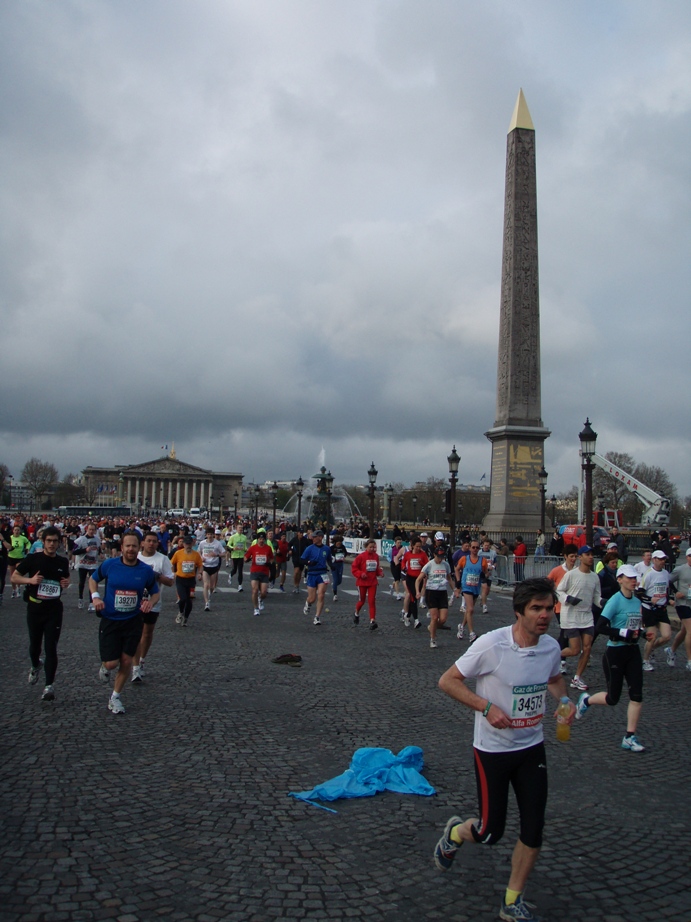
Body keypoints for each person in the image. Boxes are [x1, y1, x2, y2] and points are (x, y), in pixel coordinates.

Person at [434, 578, 574, 922]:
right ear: (518, 612)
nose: (544, 616)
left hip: (531, 748)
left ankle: (512, 901)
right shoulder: (491, 645)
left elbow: (553, 678)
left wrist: (565, 700)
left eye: (548, 609)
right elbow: (447, 680)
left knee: (533, 828)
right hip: (492, 752)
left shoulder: (551, 648)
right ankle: (456, 832)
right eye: (536, 609)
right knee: (490, 832)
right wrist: (485, 707)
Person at [575, 565, 645, 752]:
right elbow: (600, 626)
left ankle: (630, 736)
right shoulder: (615, 601)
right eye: (629, 578)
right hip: (615, 652)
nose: (633, 581)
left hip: (633, 652)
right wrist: (623, 632)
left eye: (634, 578)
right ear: (620, 580)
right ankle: (587, 701)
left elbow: (635, 626)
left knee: (637, 695)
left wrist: (643, 634)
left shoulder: (637, 602)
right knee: (613, 698)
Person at [89, 532, 159, 714]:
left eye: (134, 546)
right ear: (122, 548)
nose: (130, 549)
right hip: (110, 619)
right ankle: (105, 666)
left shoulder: (145, 570)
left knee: (127, 660)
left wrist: (150, 603)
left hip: (132, 620)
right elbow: (93, 580)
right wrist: (95, 598)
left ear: (139, 547)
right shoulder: (110, 565)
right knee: (112, 663)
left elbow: (155, 592)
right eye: (127, 546)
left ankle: (115, 697)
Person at [11, 526, 70, 702]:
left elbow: (64, 580)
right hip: (35, 608)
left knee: (51, 647)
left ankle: (48, 686)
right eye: (49, 541)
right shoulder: (33, 559)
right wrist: (30, 580)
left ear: (59, 543)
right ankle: (35, 664)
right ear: (43, 542)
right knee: (35, 646)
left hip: (54, 609)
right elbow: (14, 577)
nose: (52, 544)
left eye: (55, 541)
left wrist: (66, 582)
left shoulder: (62, 562)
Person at [556, 545, 601, 691]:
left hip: (587, 616)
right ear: (580, 557)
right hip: (571, 616)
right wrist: (568, 598)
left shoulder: (595, 577)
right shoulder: (571, 575)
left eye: (592, 555)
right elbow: (559, 591)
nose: (590, 557)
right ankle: (551, 655)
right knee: (575, 650)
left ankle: (577, 678)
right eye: (587, 555)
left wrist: (603, 603)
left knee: (587, 648)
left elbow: (596, 597)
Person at [131, 531, 175, 682]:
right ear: (142, 543)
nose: (151, 544)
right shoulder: (135, 556)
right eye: (148, 541)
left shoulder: (162, 559)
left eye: (154, 541)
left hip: (153, 602)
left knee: (147, 634)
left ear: (158, 543)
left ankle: (142, 660)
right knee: (135, 634)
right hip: (133, 602)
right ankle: (135, 667)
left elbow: (170, 582)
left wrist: (156, 575)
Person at [416, 543, 458, 649]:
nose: (440, 559)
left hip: (442, 592)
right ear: (434, 555)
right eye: (438, 557)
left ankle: (432, 627)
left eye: (442, 557)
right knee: (434, 617)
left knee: (443, 619)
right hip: (431, 592)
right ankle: (433, 639)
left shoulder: (446, 565)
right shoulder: (429, 565)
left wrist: (455, 590)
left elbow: (449, 578)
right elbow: (418, 579)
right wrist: (418, 592)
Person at [547, 543, 579, 673]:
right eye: (571, 556)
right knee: (565, 632)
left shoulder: (578, 571)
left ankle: (557, 652)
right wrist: (555, 593)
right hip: (561, 607)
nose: (573, 559)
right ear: (565, 556)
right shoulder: (557, 570)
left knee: (569, 633)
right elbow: (548, 581)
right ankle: (561, 660)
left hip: (575, 607)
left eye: (575, 556)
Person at [639, 550, 673, 671]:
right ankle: (645, 660)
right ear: (654, 560)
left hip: (662, 609)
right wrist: (649, 599)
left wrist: (669, 600)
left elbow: (666, 589)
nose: (662, 561)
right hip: (650, 609)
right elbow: (639, 593)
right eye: (660, 559)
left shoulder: (665, 573)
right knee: (652, 637)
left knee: (667, 636)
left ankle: (652, 648)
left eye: (664, 559)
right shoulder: (649, 574)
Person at [455, 540, 488, 643]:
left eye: (477, 548)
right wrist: (458, 581)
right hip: (466, 587)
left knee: (469, 610)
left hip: (475, 587)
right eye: (473, 547)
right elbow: (457, 569)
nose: (475, 549)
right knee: (470, 609)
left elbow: (486, 573)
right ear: (469, 548)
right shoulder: (464, 559)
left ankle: (461, 626)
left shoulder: (483, 561)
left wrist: (484, 576)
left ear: (479, 549)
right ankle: (471, 633)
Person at [170, 534, 203, 626]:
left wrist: (200, 573)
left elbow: (200, 565)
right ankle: (180, 612)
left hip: (191, 580)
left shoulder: (196, 554)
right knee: (183, 598)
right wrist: (173, 573)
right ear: (183, 544)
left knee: (190, 600)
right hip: (180, 579)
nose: (188, 545)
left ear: (192, 544)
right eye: (186, 544)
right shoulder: (178, 553)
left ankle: (186, 617)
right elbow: (172, 563)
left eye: (189, 544)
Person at [300, 531, 332, 625]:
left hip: (322, 573)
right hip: (312, 573)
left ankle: (317, 617)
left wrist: (332, 566)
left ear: (320, 538)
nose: (313, 539)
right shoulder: (309, 548)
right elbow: (302, 560)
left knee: (321, 595)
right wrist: (309, 562)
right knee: (312, 598)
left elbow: (329, 559)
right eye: (312, 537)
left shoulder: (327, 549)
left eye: (315, 537)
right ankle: (308, 603)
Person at [351, 538, 384, 630]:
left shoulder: (376, 556)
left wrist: (380, 573)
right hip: (362, 582)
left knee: (372, 601)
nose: (373, 549)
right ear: (366, 547)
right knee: (362, 601)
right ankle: (356, 613)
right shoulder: (361, 557)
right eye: (371, 547)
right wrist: (361, 574)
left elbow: (377, 568)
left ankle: (372, 620)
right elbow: (354, 568)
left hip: (372, 582)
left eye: (374, 547)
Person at [667, 547, 691, 670]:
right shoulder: (681, 569)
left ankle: (671, 650)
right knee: (690, 630)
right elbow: (668, 581)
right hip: (682, 603)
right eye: (690, 556)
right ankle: (689, 661)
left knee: (684, 631)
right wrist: (675, 592)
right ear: (687, 557)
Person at [72, 522, 102, 611]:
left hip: (93, 564)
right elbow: (74, 551)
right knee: (82, 582)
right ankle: (80, 598)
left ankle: (91, 602)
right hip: (82, 563)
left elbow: (98, 549)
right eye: (90, 529)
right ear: (86, 530)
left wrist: (101, 554)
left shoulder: (97, 540)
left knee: (92, 582)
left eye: (93, 530)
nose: (92, 531)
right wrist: (85, 550)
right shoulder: (80, 539)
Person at [244, 529, 274, 616]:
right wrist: (247, 559)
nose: (261, 540)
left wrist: (270, 562)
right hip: (255, 571)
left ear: (265, 540)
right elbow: (246, 557)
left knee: (264, 592)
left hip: (264, 572)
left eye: (263, 539)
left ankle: (260, 599)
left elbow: (272, 558)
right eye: (260, 539)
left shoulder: (268, 548)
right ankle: (256, 608)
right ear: (257, 540)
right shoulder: (253, 548)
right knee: (255, 590)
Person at [400, 537, 427, 629]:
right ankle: (416, 620)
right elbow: (403, 562)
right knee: (413, 598)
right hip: (410, 579)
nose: (418, 548)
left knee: (414, 599)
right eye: (417, 547)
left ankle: (407, 616)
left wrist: (421, 563)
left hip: (418, 579)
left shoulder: (423, 555)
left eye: (420, 546)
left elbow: (427, 566)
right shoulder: (408, 554)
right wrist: (404, 568)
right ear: (412, 546)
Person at [198, 527, 226, 611]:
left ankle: (210, 592)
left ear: (213, 535)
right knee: (206, 584)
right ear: (206, 535)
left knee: (211, 587)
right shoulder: (202, 543)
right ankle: (207, 603)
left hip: (214, 566)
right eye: (208, 534)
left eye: (211, 534)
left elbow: (224, 553)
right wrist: (201, 558)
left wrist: (216, 555)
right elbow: (198, 551)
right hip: (205, 566)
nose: (210, 536)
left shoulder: (217, 543)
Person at [7, 524, 32, 598]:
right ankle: (13, 589)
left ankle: (18, 588)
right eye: (15, 530)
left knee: (18, 573)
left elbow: (28, 543)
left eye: (18, 530)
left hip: (20, 557)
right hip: (11, 557)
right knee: (12, 575)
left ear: (20, 531)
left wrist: (27, 549)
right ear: (13, 531)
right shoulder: (10, 538)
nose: (17, 531)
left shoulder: (23, 538)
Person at [226, 523, 249, 592]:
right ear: (236, 529)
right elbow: (228, 545)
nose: (240, 529)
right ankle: (230, 575)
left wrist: (247, 550)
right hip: (234, 555)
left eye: (241, 528)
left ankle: (240, 586)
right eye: (239, 528)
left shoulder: (244, 537)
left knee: (240, 571)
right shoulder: (232, 537)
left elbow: (245, 546)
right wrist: (233, 548)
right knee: (235, 570)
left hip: (241, 555)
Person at [329, 535, 347, 601]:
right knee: (335, 579)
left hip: (340, 564)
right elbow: (329, 556)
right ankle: (335, 595)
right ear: (335, 542)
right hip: (334, 565)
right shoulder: (331, 548)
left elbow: (345, 553)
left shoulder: (342, 547)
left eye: (340, 542)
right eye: (338, 542)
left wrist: (344, 556)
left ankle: (334, 585)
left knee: (339, 581)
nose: (339, 543)